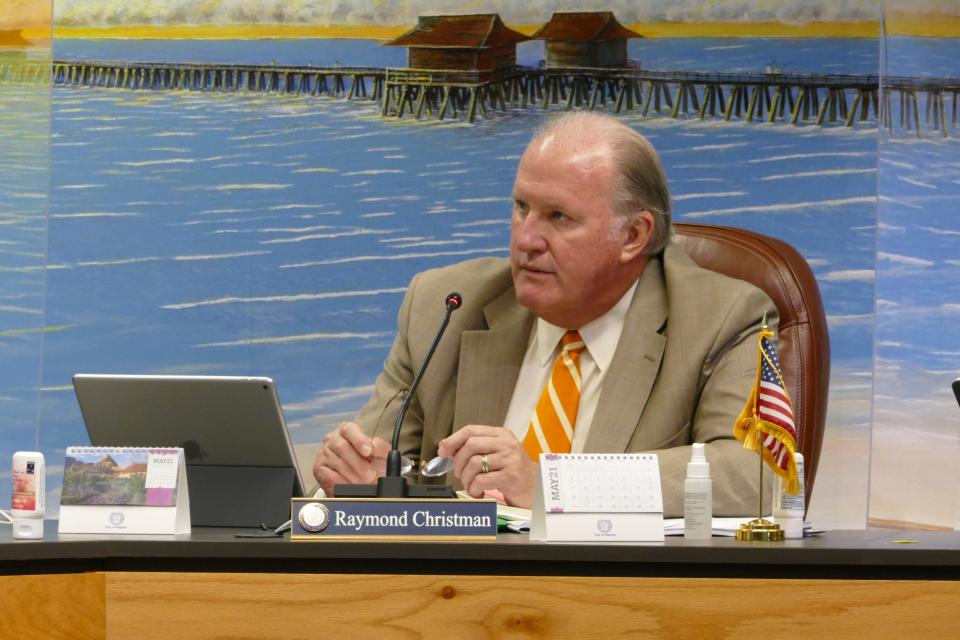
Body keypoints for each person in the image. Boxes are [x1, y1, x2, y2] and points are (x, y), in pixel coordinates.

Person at [312, 112, 777, 517]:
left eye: (559, 217)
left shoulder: (722, 316)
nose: (526, 239)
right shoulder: (445, 307)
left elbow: (756, 475)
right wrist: (355, 482)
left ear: (633, 235)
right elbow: (376, 467)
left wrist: (553, 485)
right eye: (521, 207)